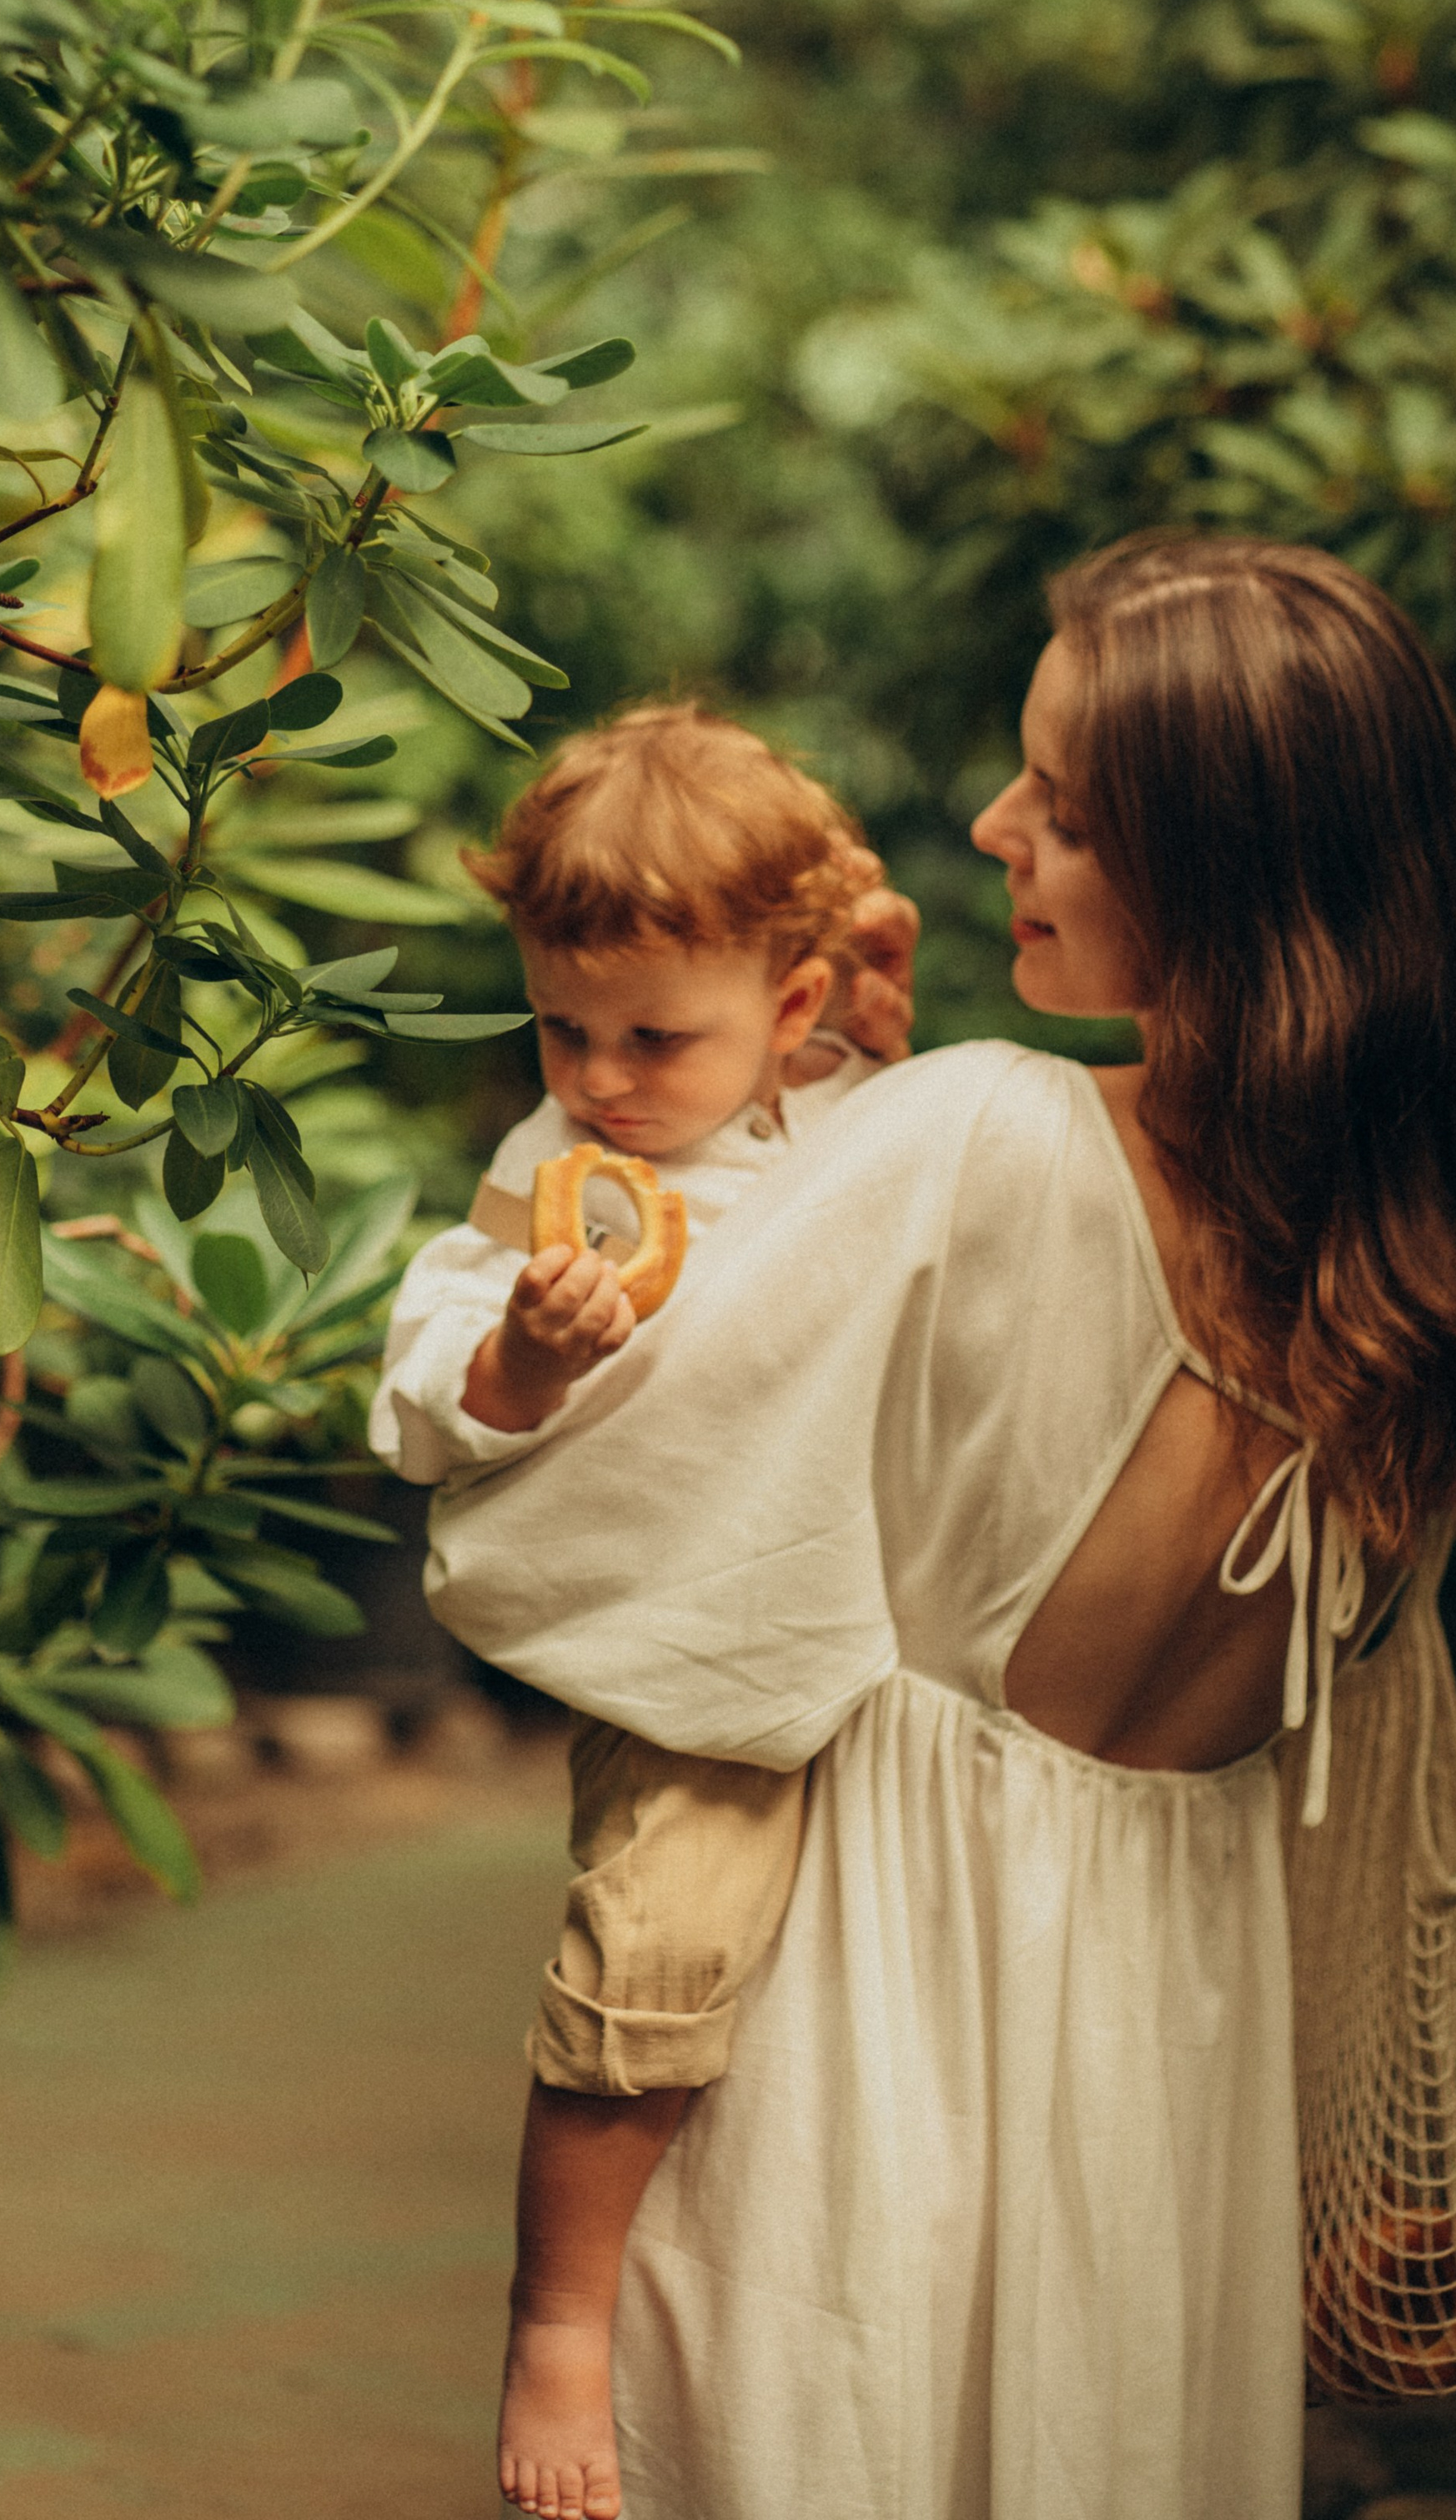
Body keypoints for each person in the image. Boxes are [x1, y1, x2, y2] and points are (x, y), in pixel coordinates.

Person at [424, 535, 1456, 2520]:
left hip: (866, 2007)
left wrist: (810, 1122)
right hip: (1165, 2060)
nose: (989, 827)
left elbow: (576, 1492)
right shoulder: (1415, 1270)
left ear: (1208, 865)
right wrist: (847, 1092)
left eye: (1055, 803)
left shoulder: (986, 1136)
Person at [369, 705, 917, 2513]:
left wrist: (867, 1022)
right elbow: (426, 1370)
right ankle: (562, 2325)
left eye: (651, 1036)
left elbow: (908, 1166)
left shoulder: (831, 1108)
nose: (599, 1075)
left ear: (783, 1013)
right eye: (560, 1025)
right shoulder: (557, 1186)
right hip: (694, 1666)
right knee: (652, 1966)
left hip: (882, 1662)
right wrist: (520, 1360)